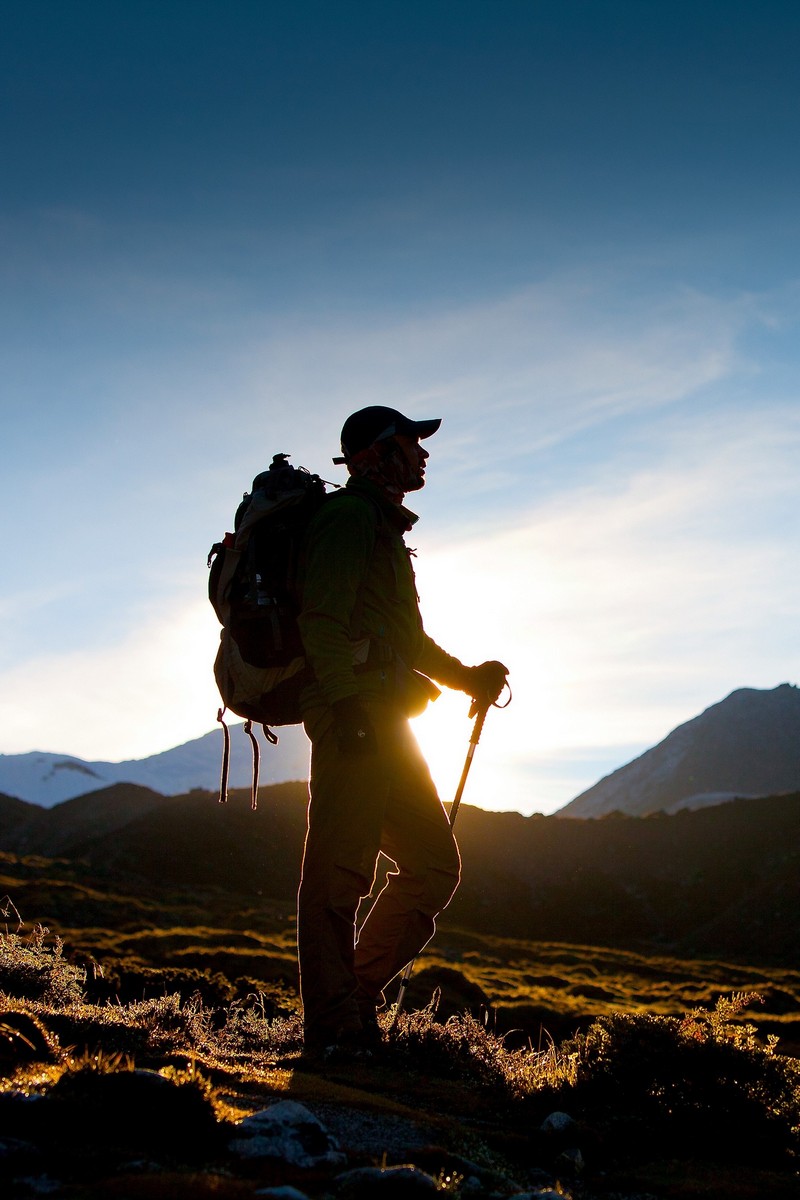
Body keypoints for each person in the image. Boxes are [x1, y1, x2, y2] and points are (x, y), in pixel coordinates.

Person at [296, 405, 508, 1057]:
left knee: (433, 865)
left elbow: (407, 641)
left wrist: (468, 678)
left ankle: (355, 1003)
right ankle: (333, 1029)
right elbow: (320, 621)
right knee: (339, 870)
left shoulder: (383, 530)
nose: (422, 453)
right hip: (355, 716)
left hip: (386, 718)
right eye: (410, 442)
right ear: (376, 454)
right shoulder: (347, 519)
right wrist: (347, 709)